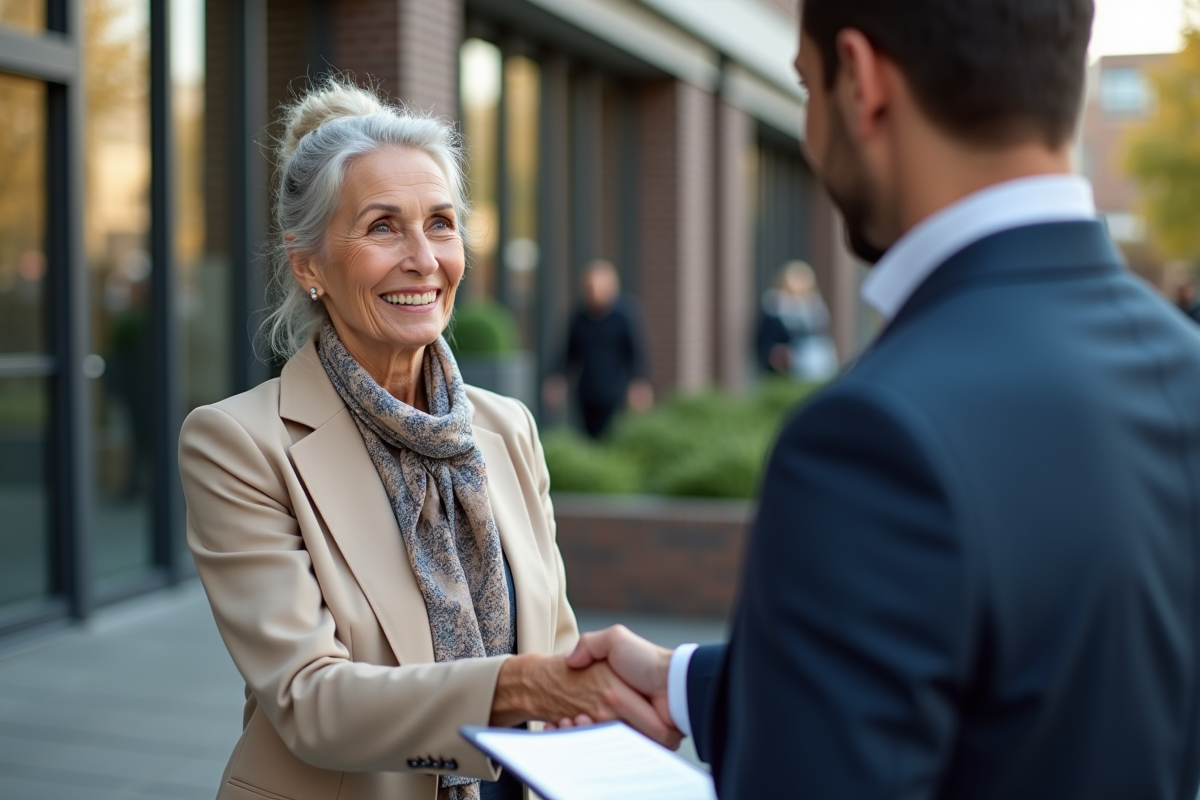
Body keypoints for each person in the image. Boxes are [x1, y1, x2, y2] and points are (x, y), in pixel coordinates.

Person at [562, 1, 1200, 797]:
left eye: (805, 85)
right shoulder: (1184, 361)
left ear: (859, 80)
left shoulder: (870, 435)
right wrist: (686, 683)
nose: (808, 132)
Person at [177, 80, 676, 800]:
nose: (423, 258)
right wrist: (523, 688)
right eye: (383, 227)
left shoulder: (507, 427)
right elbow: (312, 703)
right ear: (308, 264)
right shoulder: (238, 445)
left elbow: (555, 646)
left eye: (441, 223)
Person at [542, 260, 652, 438]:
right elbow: (569, 353)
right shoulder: (580, 317)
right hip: (587, 391)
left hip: (616, 391)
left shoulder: (625, 315)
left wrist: (639, 383)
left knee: (614, 436)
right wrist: (556, 378)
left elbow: (637, 352)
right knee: (589, 435)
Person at [754, 259, 839, 381]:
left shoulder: (815, 309)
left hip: (816, 367)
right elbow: (763, 342)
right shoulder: (774, 307)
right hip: (784, 372)